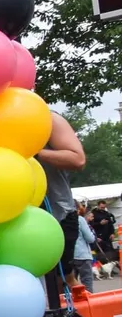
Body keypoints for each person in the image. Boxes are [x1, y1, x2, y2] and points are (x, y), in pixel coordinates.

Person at [36, 111, 86, 296]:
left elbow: (78, 159)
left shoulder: (47, 118)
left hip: (58, 216)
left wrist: (35, 151)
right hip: (7, 219)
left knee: (62, 279)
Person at [74, 203, 97, 293]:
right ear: (78, 209)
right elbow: (90, 238)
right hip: (82, 255)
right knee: (87, 284)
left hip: (68, 256)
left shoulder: (60, 218)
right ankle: (88, 304)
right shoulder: (80, 219)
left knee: (71, 285)